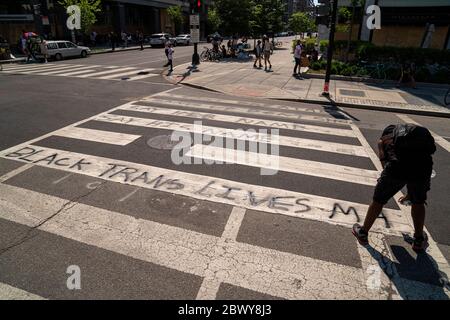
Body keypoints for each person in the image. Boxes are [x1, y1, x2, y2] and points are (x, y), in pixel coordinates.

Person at [352, 124, 436, 251]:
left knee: (378, 200)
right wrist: (409, 195)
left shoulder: (384, 140)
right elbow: (419, 160)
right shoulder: (417, 137)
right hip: (422, 168)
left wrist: (384, 178)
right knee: (418, 202)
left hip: (396, 169)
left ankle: (363, 233)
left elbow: (384, 160)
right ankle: (419, 240)